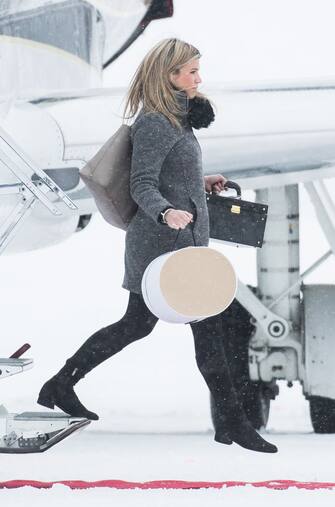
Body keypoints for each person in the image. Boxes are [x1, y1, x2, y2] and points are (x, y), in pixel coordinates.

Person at [37, 38, 277, 454]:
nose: (199, 79)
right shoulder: (155, 122)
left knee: (150, 326)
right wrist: (167, 213)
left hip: (183, 242)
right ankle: (233, 423)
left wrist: (201, 184)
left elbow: (168, 177)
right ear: (169, 76)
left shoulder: (177, 120)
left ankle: (60, 384)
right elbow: (142, 184)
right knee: (198, 326)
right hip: (161, 245)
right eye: (191, 72)